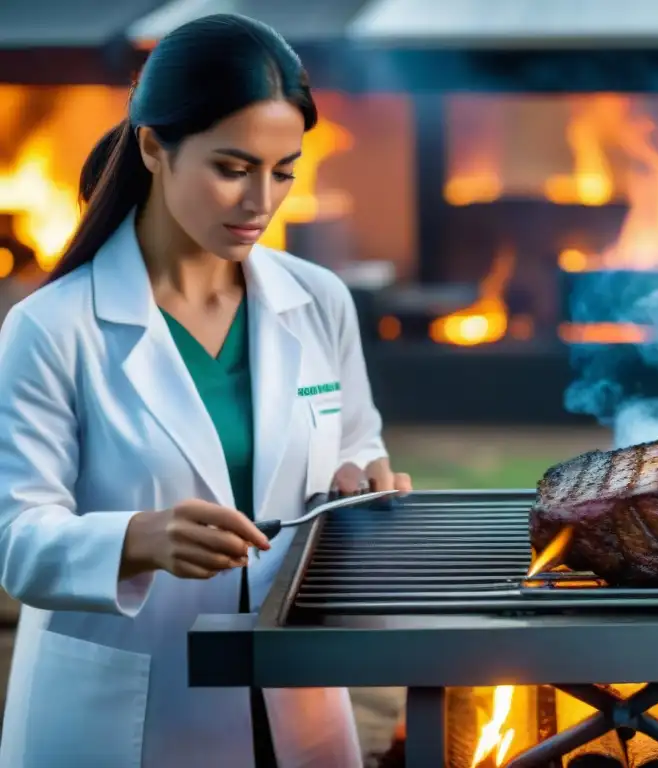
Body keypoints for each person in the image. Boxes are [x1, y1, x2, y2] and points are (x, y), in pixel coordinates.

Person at [0, 14, 410, 768]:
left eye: (284, 169)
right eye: (232, 167)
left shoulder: (318, 300)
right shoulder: (51, 328)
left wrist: (362, 481)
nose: (263, 200)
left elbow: (356, 440)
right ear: (154, 146)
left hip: (297, 707)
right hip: (129, 720)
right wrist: (137, 540)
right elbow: (15, 540)